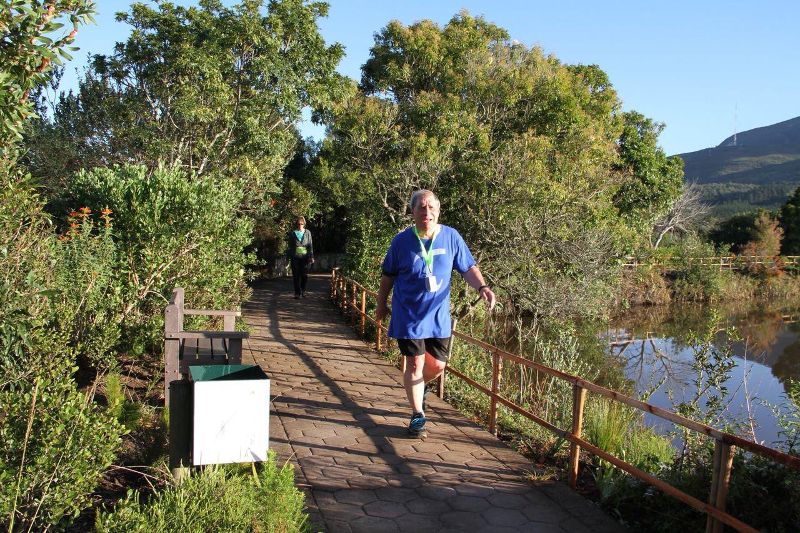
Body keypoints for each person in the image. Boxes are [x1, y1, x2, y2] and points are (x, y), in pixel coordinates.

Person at [377, 190, 496, 438]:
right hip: (409, 313)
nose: (426, 212)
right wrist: (380, 304)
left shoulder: (451, 237)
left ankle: (420, 387)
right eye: (421, 207)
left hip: (438, 315)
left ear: (438, 210)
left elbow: (468, 268)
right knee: (415, 363)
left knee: (438, 365)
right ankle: (417, 415)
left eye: (431, 207)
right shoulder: (401, 242)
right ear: (413, 212)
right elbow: (388, 275)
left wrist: (482, 287)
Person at [287, 216, 314, 299]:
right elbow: (289, 247)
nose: (300, 225)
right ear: (297, 224)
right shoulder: (292, 233)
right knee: (296, 276)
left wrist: (311, 256)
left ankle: (303, 291)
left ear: (304, 224)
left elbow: (310, 245)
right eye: (298, 224)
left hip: (305, 257)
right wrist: (287, 259)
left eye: (301, 223)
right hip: (295, 257)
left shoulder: (308, 232)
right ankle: (297, 293)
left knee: (304, 275)